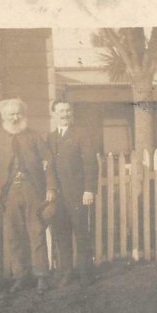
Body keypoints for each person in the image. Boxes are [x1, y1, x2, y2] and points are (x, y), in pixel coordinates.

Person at [0, 98, 56, 295]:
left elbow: (48, 162)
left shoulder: (34, 137)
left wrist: (50, 187)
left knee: (37, 232)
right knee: (14, 235)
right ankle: (21, 277)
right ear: (3, 117)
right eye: (11, 114)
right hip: (9, 194)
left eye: (18, 113)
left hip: (33, 191)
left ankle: (41, 276)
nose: (15, 117)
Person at [47, 100, 98, 287]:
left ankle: (86, 274)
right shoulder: (50, 138)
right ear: (54, 113)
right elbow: (49, 167)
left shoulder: (81, 134)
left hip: (78, 194)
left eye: (68, 110)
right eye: (60, 111)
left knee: (82, 234)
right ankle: (66, 273)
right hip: (58, 197)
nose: (65, 114)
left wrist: (89, 189)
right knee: (62, 235)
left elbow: (91, 163)